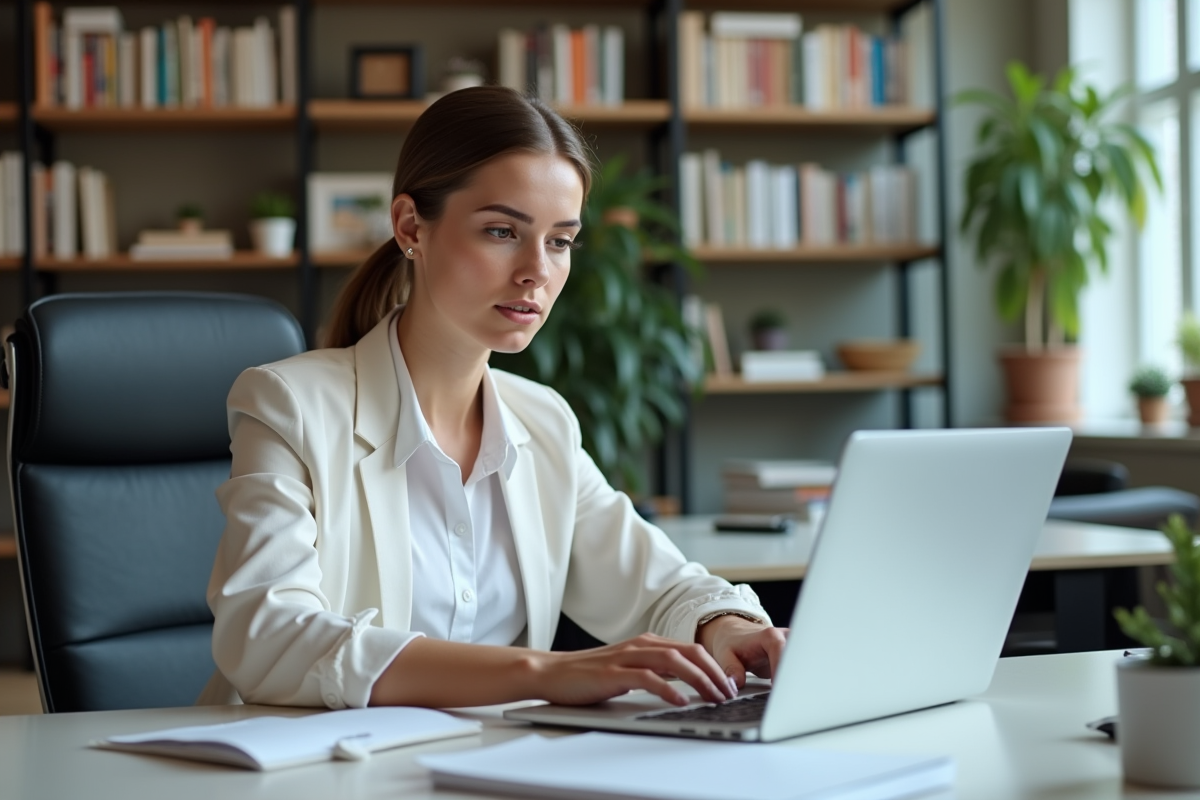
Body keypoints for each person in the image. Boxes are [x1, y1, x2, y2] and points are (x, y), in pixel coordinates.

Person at [200, 86, 787, 711]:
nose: (536, 269)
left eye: (560, 241)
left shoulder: (542, 422)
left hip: (490, 767)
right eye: (502, 230)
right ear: (410, 227)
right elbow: (267, 638)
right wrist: (540, 673)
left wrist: (727, 628)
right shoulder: (289, 404)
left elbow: (657, 586)